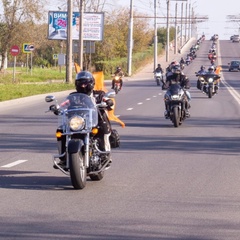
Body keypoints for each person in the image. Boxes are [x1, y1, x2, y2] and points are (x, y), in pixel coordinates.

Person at [56, 71, 114, 168]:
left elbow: (105, 99)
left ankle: (105, 154)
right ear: (76, 84)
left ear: (91, 83)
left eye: (85, 83)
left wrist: (108, 101)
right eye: (80, 83)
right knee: (60, 131)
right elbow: (64, 104)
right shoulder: (73, 97)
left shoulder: (99, 95)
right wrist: (57, 108)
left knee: (104, 127)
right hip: (77, 122)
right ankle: (63, 157)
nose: (83, 86)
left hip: (95, 121)